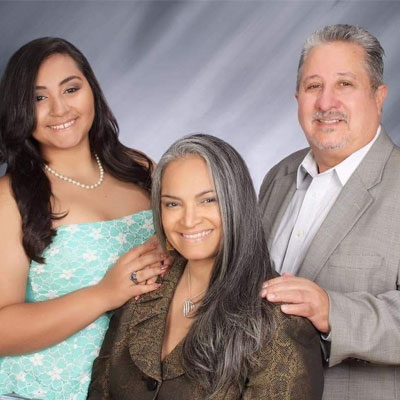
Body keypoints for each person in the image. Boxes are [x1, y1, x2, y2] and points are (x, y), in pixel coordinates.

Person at [88, 133, 324, 400]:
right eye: (173, 204)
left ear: (237, 203)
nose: (189, 220)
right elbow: (100, 389)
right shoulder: (144, 287)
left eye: (208, 200)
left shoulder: (278, 320)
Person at [0, 38, 170, 400]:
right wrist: (103, 295)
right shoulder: (9, 197)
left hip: (138, 388)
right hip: (43, 392)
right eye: (39, 97)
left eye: (71, 89)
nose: (59, 109)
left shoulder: (141, 169)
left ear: (92, 90)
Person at [259, 24, 400, 400]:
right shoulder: (278, 176)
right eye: (313, 86)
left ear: (378, 96)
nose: (326, 103)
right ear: (297, 98)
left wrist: (330, 310)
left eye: (345, 84)